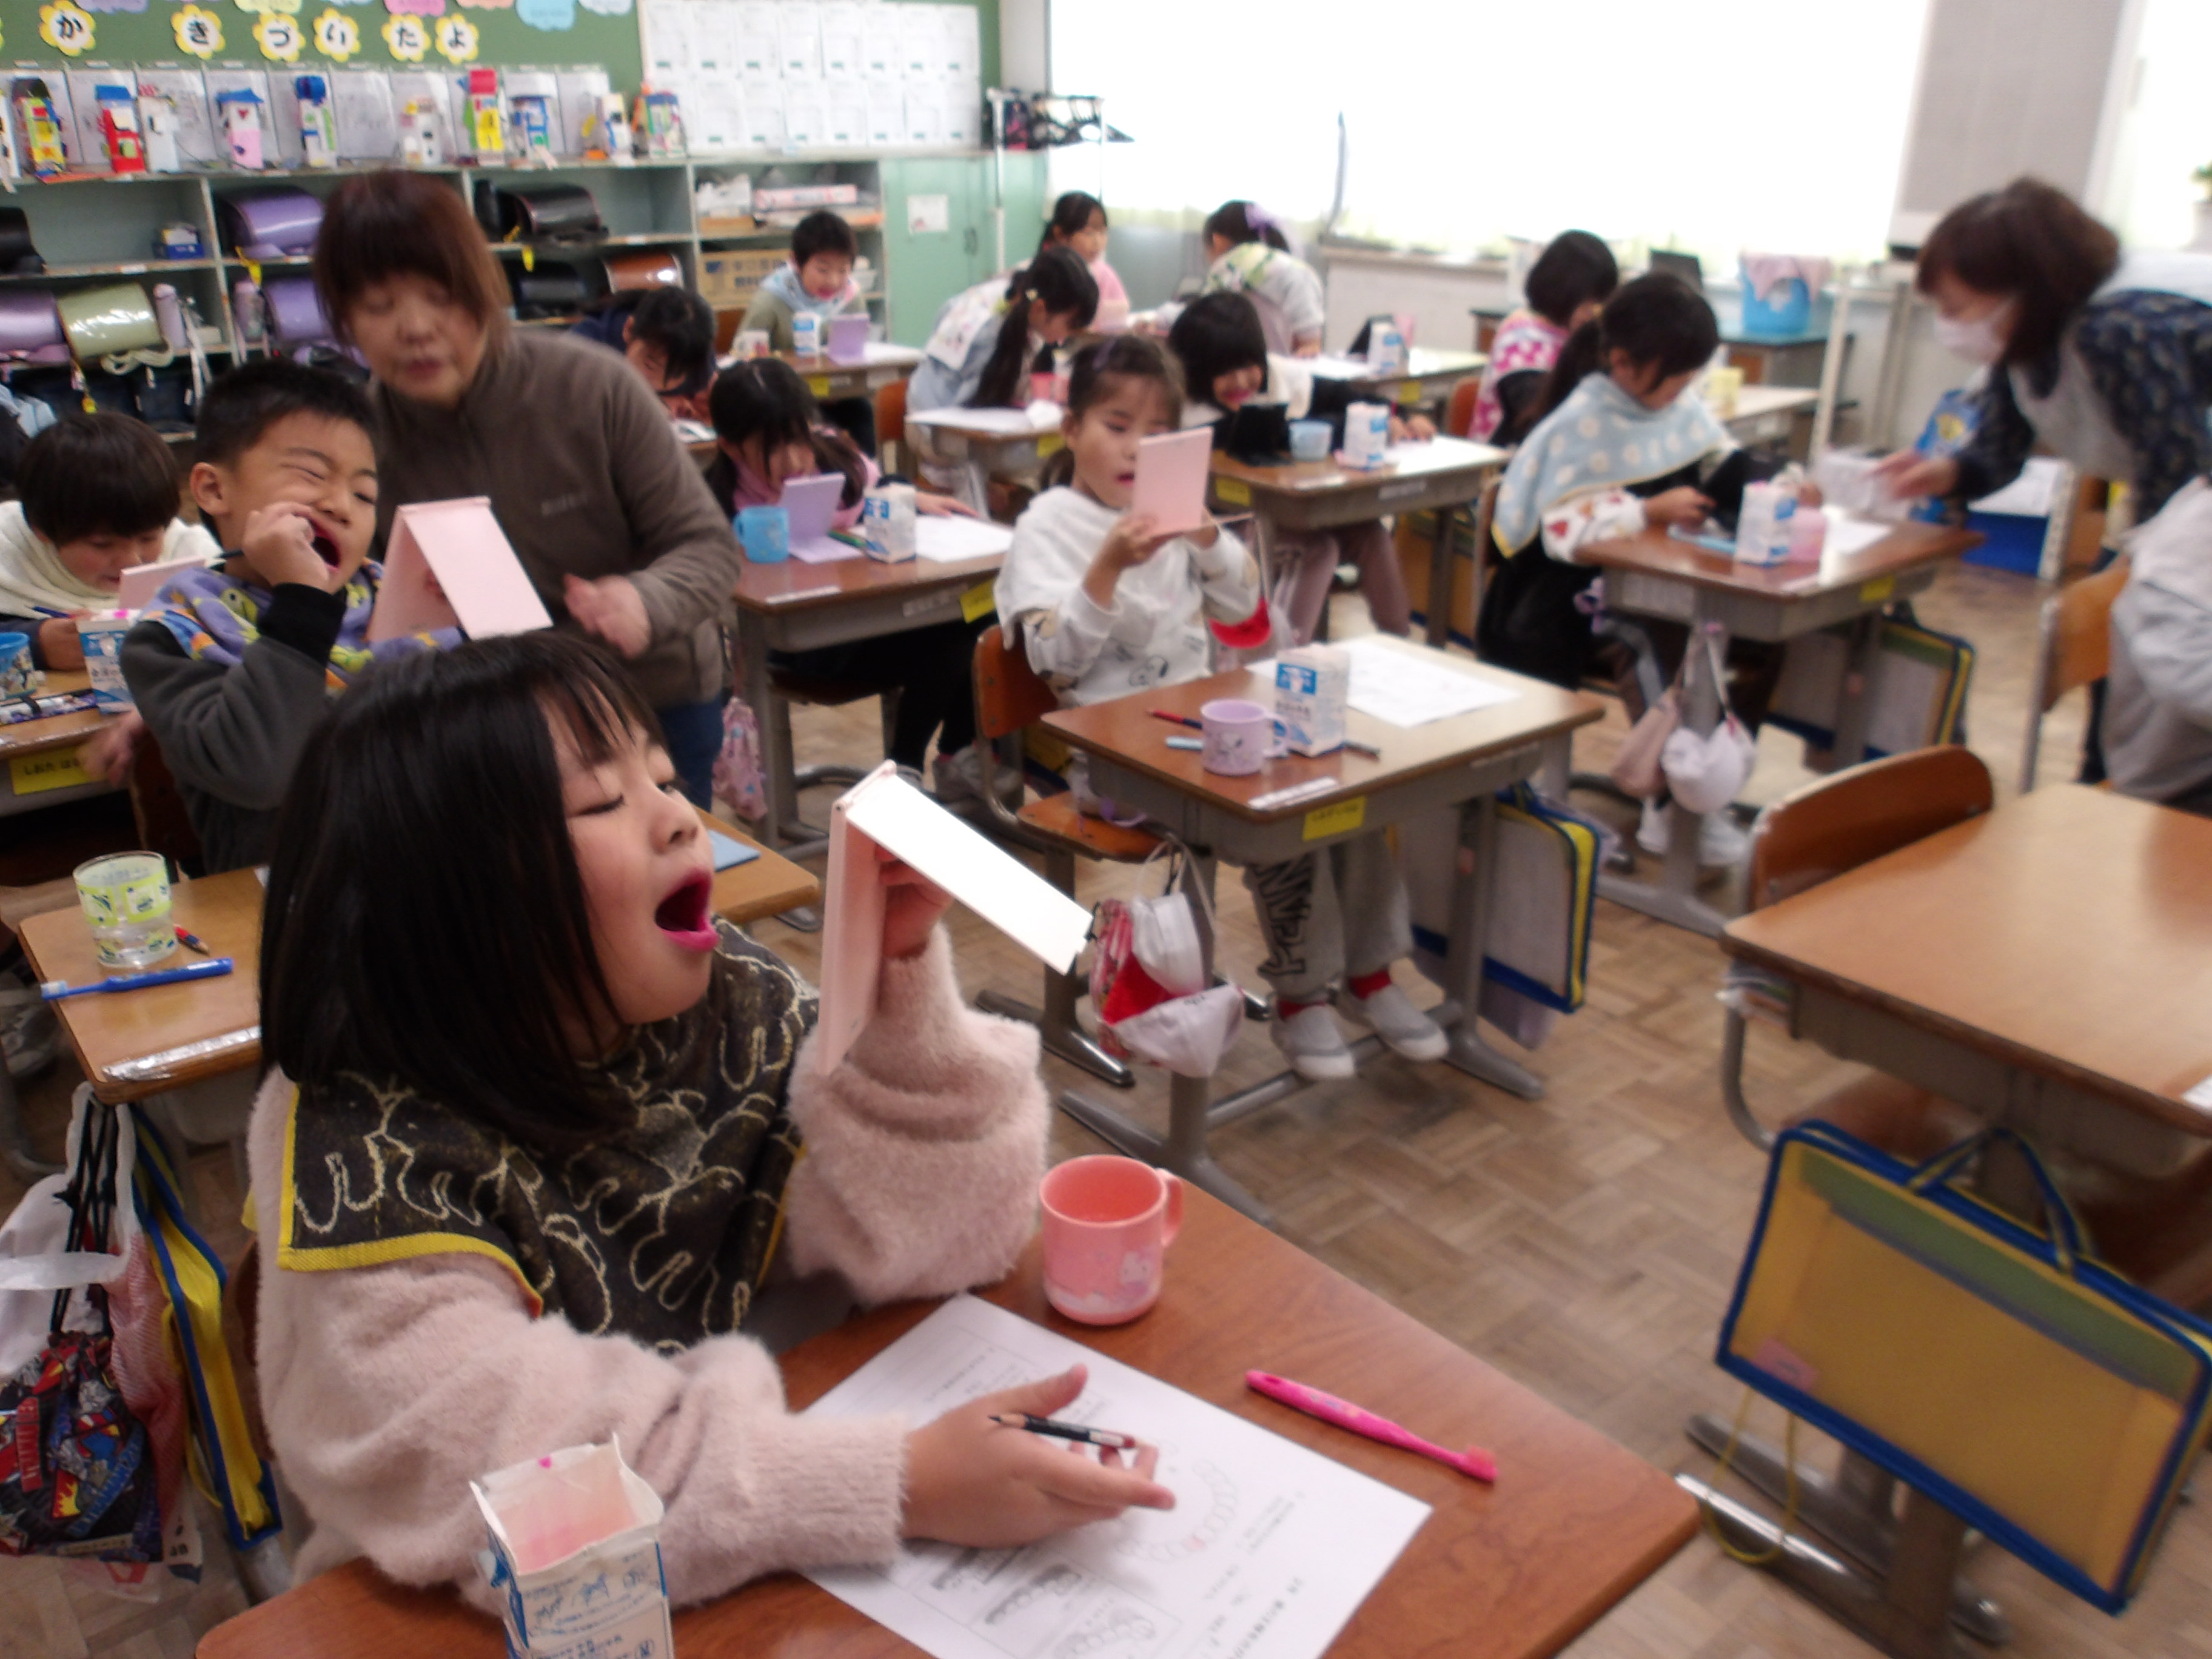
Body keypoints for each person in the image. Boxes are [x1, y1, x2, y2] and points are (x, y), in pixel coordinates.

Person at [246, 631, 1173, 1610]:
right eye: (602, 802)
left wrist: (894, 984)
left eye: (661, 778)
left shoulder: (721, 1005)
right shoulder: (363, 1150)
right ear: (447, 900)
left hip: (740, 1539)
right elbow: (531, 1496)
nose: (681, 818)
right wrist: (907, 1483)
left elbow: (960, 1239)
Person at [995, 335, 1449, 1081]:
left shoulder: (1172, 515)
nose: (1135, 448)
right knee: (1274, 810)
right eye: (1116, 425)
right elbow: (1055, 660)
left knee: (1337, 786)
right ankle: (1304, 996)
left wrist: (1207, 537)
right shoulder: (1048, 524)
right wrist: (1107, 567)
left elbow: (1248, 617)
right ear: (1071, 429)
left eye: (1156, 433)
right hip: (1114, 763)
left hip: (1197, 733)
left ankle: (1369, 976)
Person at [310, 169, 743, 809]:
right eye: (379, 307)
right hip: (490, 729)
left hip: (648, 700)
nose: (416, 328)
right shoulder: (362, 441)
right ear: (345, 322)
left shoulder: (593, 386)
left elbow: (709, 547)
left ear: (484, 291)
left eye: (440, 297)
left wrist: (645, 600)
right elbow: (343, 598)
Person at [1872, 179, 2212, 782]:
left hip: (2193, 508)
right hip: (2183, 511)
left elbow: (2177, 473)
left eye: (1957, 308)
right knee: (2125, 657)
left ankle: (2130, 800)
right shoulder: (2027, 335)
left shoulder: (2121, 328)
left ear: (2025, 289)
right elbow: (1998, 449)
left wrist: (2146, 568)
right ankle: (2105, 786)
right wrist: (1947, 473)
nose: (1949, 326)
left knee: (2165, 678)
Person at [1481, 275, 1800, 865]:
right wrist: (1645, 512)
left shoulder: (1674, 408)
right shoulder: (1578, 423)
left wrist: (1781, 484)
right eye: (1677, 378)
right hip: (1557, 602)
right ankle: (1673, 801)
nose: (1685, 392)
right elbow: (1562, 531)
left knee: (1758, 637)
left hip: (1657, 583)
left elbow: (1721, 460)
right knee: (1661, 639)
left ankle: (1704, 781)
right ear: (1624, 363)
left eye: (1691, 378)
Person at [118, 361, 458, 874]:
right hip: (291, 891)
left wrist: (481, 626)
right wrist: (301, 601)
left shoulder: (403, 599)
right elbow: (262, 774)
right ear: (213, 490)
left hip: (436, 872)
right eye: (311, 475)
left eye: (364, 494)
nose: (341, 506)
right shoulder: (176, 634)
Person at [702, 360, 1007, 800]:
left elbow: (878, 490)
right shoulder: (719, 500)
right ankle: (906, 767)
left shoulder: (834, 456)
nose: (795, 459)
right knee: (951, 633)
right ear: (731, 448)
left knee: (977, 611)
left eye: (800, 438)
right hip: (802, 642)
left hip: (875, 618)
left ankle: (948, 756)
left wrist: (911, 498)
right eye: (774, 448)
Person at [1168, 291, 1426, 645]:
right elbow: (1262, 432)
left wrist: (1401, 418)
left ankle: (1400, 644)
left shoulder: (1281, 377)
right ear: (1196, 372)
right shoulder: (1183, 410)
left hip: (1287, 512)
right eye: (1225, 372)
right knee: (1317, 549)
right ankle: (1282, 655)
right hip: (1223, 525)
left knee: (1370, 533)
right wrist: (1335, 428)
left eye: (1249, 365)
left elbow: (1351, 399)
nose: (1241, 382)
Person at [0, 412, 219, 672]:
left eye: (148, 538)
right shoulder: (8, 548)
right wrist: (36, 643)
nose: (131, 561)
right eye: (102, 545)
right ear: (42, 530)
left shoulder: (189, 553)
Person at [739, 209, 878, 453]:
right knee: (812, 423)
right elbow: (744, 356)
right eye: (823, 270)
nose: (833, 281)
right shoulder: (771, 299)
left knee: (862, 411)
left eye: (843, 271)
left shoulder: (850, 297)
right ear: (796, 262)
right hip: (785, 397)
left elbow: (857, 347)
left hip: (838, 390)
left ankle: (865, 473)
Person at [908, 247, 1099, 413]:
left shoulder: (1018, 302)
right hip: (933, 418)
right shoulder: (989, 333)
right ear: (1040, 308)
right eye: (1071, 325)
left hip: (947, 412)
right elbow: (966, 412)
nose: (1070, 335)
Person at [1470, 231, 1618, 444]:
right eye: (1589, 299)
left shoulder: (1581, 335)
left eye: (1602, 300)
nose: (1594, 310)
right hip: (1515, 455)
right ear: (1560, 288)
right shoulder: (1520, 339)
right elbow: (1539, 417)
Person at [1198, 202, 1325, 358]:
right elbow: (1309, 337)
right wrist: (1311, 343)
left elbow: (1202, 318)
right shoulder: (1291, 267)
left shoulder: (1226, 267)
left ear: (1217, 241)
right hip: (1286, 364)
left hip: (1236, 364)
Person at [569, 286, 717, 420]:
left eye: (675, 375)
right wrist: (647, 403)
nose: (659, 381)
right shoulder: (584, 350)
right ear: (629, 329)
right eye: (650, 366)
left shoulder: (697, 360)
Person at [1040, 192, 1128, 327]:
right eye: (1088, 233)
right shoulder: (1040, 270)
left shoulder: (1105, 274)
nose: (1097, 242)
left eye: (1103, 233)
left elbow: (1120, 317)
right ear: (1060, 234)